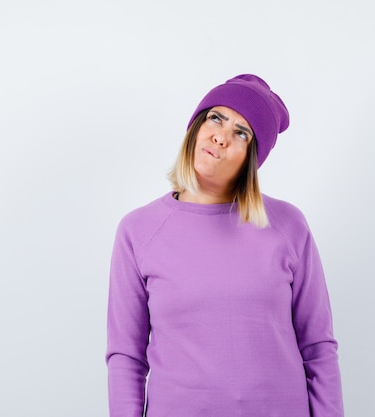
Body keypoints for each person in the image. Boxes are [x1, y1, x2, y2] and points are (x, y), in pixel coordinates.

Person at [105, 74, 343, 417]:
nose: (221, 136)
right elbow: (126, 356)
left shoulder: (288, 226)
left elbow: (318, 347)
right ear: (197, 126)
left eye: (241, 132)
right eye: (216, 117)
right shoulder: (138, 230)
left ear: (251, 158)